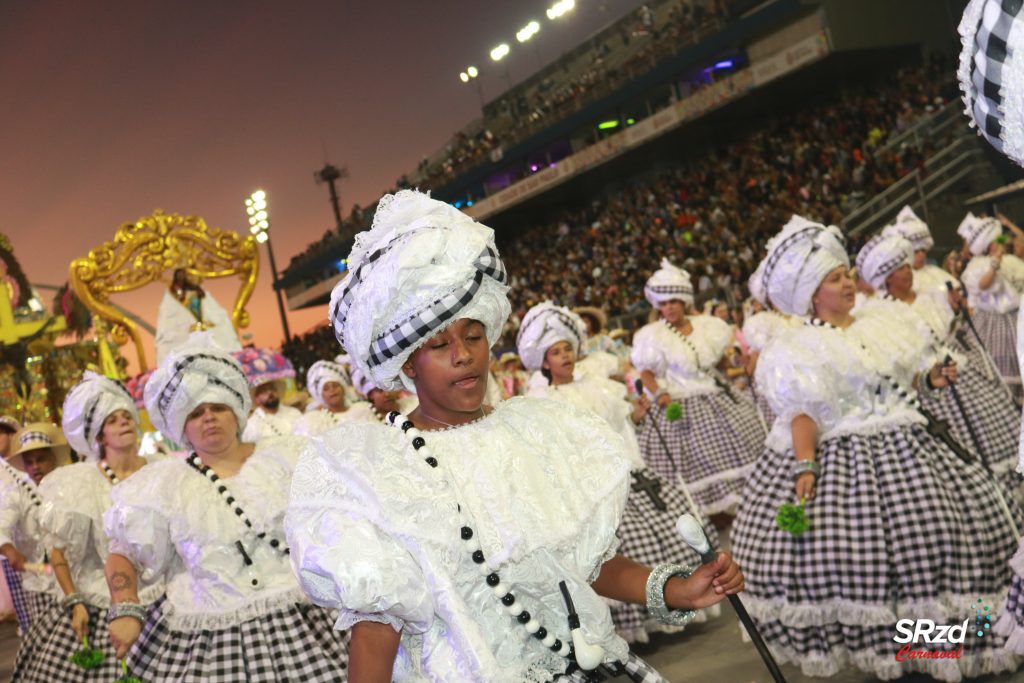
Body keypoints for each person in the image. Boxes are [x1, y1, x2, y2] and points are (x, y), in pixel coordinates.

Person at [286, 190, 742, 682]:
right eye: (439, 344)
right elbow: (377, 629)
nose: (464, 355)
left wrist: (675, 588)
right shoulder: (378, 469)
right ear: (407, 364)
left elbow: (578, 563)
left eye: (474, 336)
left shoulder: (536, 431)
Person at [731, 216, 1021, 680]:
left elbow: (904, 377)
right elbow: (801, 413)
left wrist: (930, 378)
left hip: (913, 446)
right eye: (834, 279)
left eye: (847, 274)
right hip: (852, 464)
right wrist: (806, 466)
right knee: (887, 567)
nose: (847, 283)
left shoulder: (880, 319)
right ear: (811, 295)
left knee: (947, 544)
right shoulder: (796, 348)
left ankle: (956, 642)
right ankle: (913, 652)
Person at [103, 334, 350, 681]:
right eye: (197, 413)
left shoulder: (286, 455)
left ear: (236, 412)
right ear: (183, 427)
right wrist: (125, 606)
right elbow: (123, 552)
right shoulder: (163, 484)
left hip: (306, 615)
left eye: (218, 408)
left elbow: (339, 518)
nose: (209, 418)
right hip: (209, 631)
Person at [519, 301, 720, 643]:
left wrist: (637, 416)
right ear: (544, 361)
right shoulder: (539, 401)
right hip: (588, 487)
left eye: (568, 348)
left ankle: (673, 601)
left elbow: (623, 427)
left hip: (628, 474)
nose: (565, 356)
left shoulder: (597, 385)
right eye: (556, 352)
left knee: (664, 534)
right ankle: (630, 625)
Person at [13, 372, 162, 681]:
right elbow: (59, 553)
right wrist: (74, 601)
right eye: (113, 420)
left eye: (127, 416)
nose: (124, 423)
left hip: (161, 599)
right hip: (101, 601)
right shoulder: (80, 483)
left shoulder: (161, 469)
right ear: (99, 436)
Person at [856, 232, 1022, 489]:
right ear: (887, 279)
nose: (909, 272)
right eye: (901, 269)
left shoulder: (928, 296)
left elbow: (947, 334)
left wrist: (955, 311)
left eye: (908, 266)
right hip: (927, 390)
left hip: (958, 375)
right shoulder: (878, 314)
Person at [631, 258, 766, 516]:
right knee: (692, 458)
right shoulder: (652, 335)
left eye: (674, 302)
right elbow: (645, 371)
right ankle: (711, 516)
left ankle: (746, 507)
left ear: (684, 302)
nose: (669, 308)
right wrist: (660, 393)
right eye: (664, 303)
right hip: (678, 402)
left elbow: (721, 363)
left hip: (716, 397)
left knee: (740, 441)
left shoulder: (708, 327)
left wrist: (738, 362)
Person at [2, 424, 67, 677]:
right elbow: (2, 522)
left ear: (53, 458)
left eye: (41, 459)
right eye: (29, 462)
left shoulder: (70, 485)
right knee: (45, 647)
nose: (35, 466)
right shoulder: (17, 493)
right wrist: (8, 549)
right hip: (40, 583)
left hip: (73, 579)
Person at [958, 212, 1022, 403]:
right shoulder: (978, 265)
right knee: (1006, 366)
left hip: (1015, 316)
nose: (1001, 243)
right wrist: (994, 264)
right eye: (997, 241)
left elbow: (1012, 240)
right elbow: (983, 285)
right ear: (989, 245)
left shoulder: (1005, 260)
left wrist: (1006, 225)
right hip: (995, 323)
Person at [155, 268, 241, 364]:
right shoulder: (172, 298)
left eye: (184, 275)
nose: (182, 278)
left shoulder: (199, 293)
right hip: (186, 342)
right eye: (179, 276)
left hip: (212, 338)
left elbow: (214, 314)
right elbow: (170, 325)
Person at [883, 205, 959, 307]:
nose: (921, 255)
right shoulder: (904, 280)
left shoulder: (933, 270)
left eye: (923, 251)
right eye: (916, 252)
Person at [294, 360, 376, 436]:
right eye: (326, 388)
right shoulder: (316, 421)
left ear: (344, 389)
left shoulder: (363, 409)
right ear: (321, 396)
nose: (332, 390)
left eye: (335, 385)